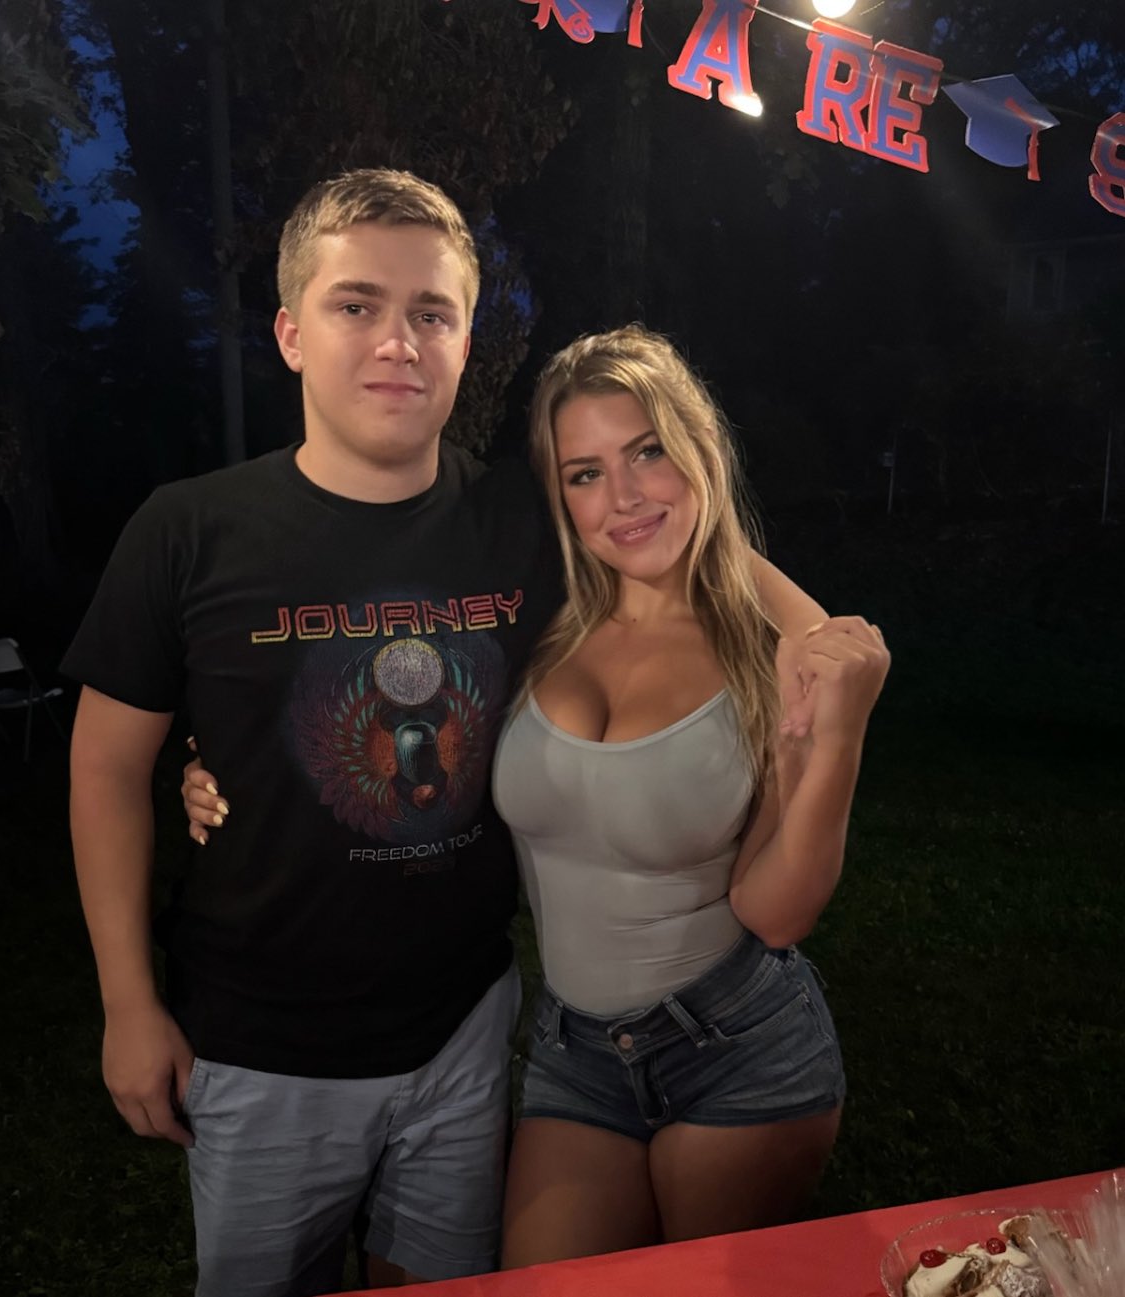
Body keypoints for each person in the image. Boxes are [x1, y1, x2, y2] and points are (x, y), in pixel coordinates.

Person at [72, 168, 835, 1297]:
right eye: (356, 305)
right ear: (290, 333)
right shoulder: (189, 532)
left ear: (467, 341)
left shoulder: (522, 519)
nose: (398, 341)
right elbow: (103, 768)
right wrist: (129, 1003)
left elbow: (680, 531)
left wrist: (821, 639)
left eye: (431, 312)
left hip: (465, 1032)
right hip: (261, 1043)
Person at [495, 325, 889, 1265]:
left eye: (648, 452)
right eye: (585, 472)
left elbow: (776, 910)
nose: (623, 496)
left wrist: (837, 736)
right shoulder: (540, 616)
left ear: (699, 445)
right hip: (573, 1052)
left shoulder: (772, 660)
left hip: (735, 1049)